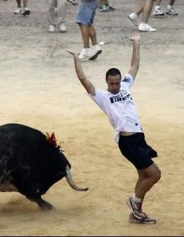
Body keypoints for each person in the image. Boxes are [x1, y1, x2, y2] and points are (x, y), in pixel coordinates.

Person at [69, 31, 161, 224]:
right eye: (112, 84)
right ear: (106, 82)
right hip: (127, 141)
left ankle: (136, 214)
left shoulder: (126, 86)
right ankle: (134, 201)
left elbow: (135, 65)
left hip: (138, 138)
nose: (116, 86)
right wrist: (77, 59)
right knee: (154, 174)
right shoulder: (102, 96)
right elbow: (83, 80)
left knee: (144, 175)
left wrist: (136, 43)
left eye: (117, 83)